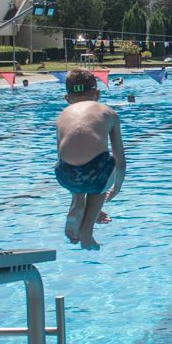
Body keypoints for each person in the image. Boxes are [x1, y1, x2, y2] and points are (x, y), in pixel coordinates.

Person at [54, 69, 125, 249]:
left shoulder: (62, 116)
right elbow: (120, 160)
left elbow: (62, 156)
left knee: (78, 170)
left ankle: (78, 205)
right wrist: (116, 187)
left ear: (67, 98)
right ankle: (87, 230)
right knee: (107, 164)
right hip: (97, 174)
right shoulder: (108, 112)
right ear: (97, 94)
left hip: (66, 175)